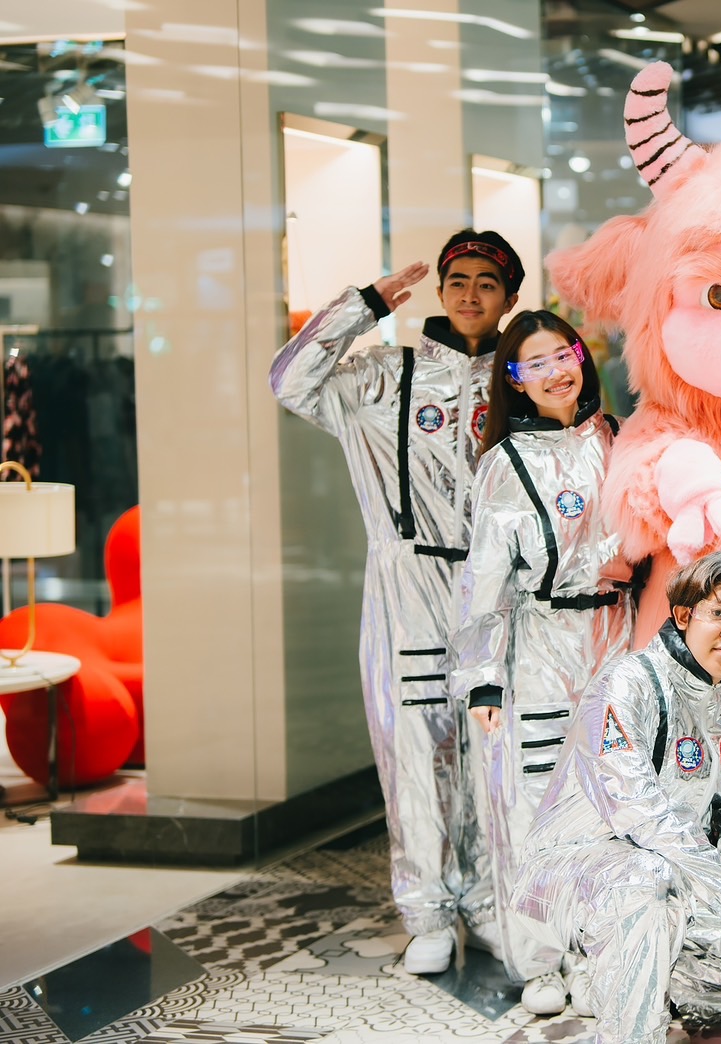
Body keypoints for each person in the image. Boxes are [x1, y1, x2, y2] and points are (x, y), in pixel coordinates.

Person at [269, 229, 522, 974]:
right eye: (458, 280)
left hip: (498, 595)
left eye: (487, 283)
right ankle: (428, 913)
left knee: (493, 755)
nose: (470, 294)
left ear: (509, 299)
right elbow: (290, 381)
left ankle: (489, 904)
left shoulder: (522, 382)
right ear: (440, 290)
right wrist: (364, 306)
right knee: (413, 753)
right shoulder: (385, 376)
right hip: (406, 588)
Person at [510, 550, 721, 1043]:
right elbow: (642, 816)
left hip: (682, 881)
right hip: (567, 877)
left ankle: (664, 992)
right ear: (684, 615)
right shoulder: (628, 684)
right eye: (719, 612)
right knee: (645, 878)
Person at [451, 310, 633, 1012]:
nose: (557, 371)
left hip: (617, 637)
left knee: (611, 801)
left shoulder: (622, 440)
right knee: (534, 803)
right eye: (536, 363)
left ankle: (597, 949)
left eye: (565, 355)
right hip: (539, 647)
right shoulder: (505, 464)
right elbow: (484, 580)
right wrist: (482, 681)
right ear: (514, 381)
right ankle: (542, 961)